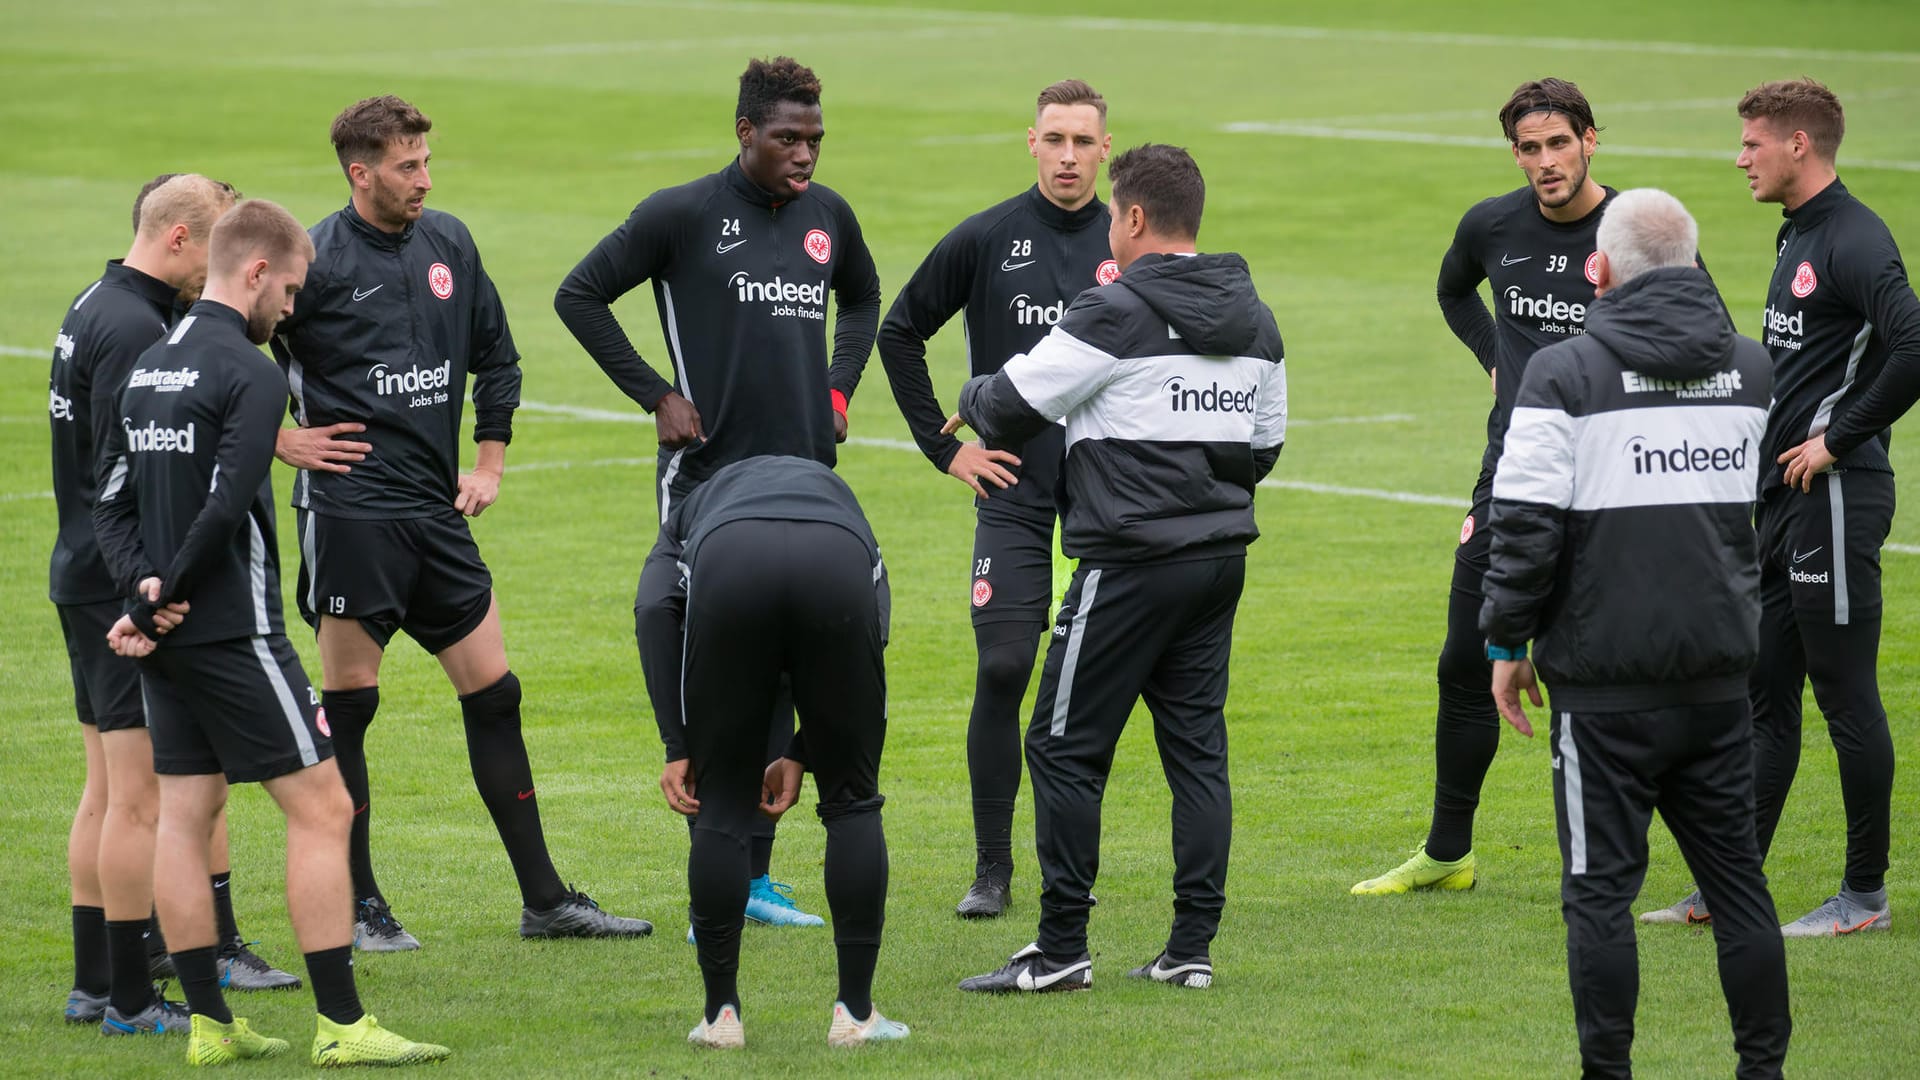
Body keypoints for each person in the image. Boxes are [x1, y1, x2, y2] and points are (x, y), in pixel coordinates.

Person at [270, 95, 650, 948]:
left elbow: (497, 357)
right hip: (350, 514)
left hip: (436, 516)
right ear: (360, 172)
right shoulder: (313, 258)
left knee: (495, 692)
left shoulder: (449, 242)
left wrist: (489, 461)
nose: (424, 180)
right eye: (407, 167)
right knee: (352, 707)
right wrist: (278, 436)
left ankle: (546, 901)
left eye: (427, 162)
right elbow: (220, 346)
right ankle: (362, 905)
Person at [93, 197, 451, 1067]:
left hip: (170, 634)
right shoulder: (249, 376)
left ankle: (212, 1029)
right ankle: (341, 1026)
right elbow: (224, 509)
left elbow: (109, 501)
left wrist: (141, 595)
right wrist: (163, 594)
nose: (290, 311)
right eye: (288, 292)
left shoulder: (150, 364)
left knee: (185, 814)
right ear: (255, 273)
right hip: (234, 632)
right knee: (324, 809)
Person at [555, 56, 881, 932]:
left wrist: (839, 389)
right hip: (704, 478)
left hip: (807, 470)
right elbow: (578, 294)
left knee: (787, 662)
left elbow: (863, 298)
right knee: (712, 654)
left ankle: (754, 882)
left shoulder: (829, 218)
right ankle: (718, 869)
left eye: (815, 139)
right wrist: (654, 393)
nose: (804, 155)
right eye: (787, 139)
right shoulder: (682, 215)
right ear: (746, 133)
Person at [951, 144, 1286, 994]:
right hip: (1218, 563)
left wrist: (966, 395)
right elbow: (1265, 447)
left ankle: (1061, 949)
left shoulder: (1113, 311)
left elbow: (1008, 406)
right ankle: (1190, 950)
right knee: (1197, 752)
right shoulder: (1257, 319)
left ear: (1133, 218)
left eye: (1113, 215)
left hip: (1129, 564)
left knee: (1062, 748)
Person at [1481, 188, 1789, 1079]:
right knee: (1740, 891)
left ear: (1600, 268)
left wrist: (1505, 644)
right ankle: (1762, 1072)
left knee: (1600, 899)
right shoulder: (1753, 368)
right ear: (1693, 265)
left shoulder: (1563, 373)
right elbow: (1752, 519)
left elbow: (1525, 525)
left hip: (1605, 689)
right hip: (1720, 678)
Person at [1651, 78, 1920, 935]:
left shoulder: (1853, 237)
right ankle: (1728, 886)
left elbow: (1913, 344)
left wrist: (1838, 440)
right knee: (1763, 696)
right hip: (1783, 503)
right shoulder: (1799, 232)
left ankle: (1865, 897)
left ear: (1799, 144)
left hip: (1836, 500)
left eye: (1752, 144)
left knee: (1846, 698)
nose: (1740, 159)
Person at [1354, 78, 1624, 895]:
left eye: (1559, 144)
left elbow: (1699, 330)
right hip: (1507, 474)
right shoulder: (1492, 225)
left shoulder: (1638, 227)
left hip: (1609, 482)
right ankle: (1447, 854)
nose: (1546, 162)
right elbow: (1451, 289)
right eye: (1530, 148)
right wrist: (1495, 358)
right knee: (1463, 658)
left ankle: (1607, 863)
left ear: (1590, 141)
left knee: (1594, 669)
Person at [47, 174, 300, 1034]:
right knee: (139, 803)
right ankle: (126, 995)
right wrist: (152, 591)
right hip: (127, 586)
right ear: (184, 239)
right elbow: (138, 469)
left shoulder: (95, 301)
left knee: (106, 795)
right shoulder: (138, 331)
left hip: (87, 574)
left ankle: (97, 984)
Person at [877, 78, 1116, 919]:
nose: (1068, 157)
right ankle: (990, 868)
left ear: (1105, 151)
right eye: (1055, 139)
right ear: (1031, 142)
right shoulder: (988, 237)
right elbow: (899, 330)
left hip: (1108, 494)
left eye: (1083, 142)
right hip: (1012, 484)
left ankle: (1073, 869)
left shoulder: (1132, 242)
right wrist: (946, 449)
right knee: (1007, 665)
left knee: (1099, 688)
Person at [659, 455, 906, 1049]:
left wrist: (678, 743)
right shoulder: (840, 497)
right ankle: (856, 1014)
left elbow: (652, 610)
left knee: (719, 807)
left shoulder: (689, 512)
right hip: (836, 561)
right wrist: (805, 749)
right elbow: (874, 625)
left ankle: (721, 1017)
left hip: (730, 564)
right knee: (852, 803)